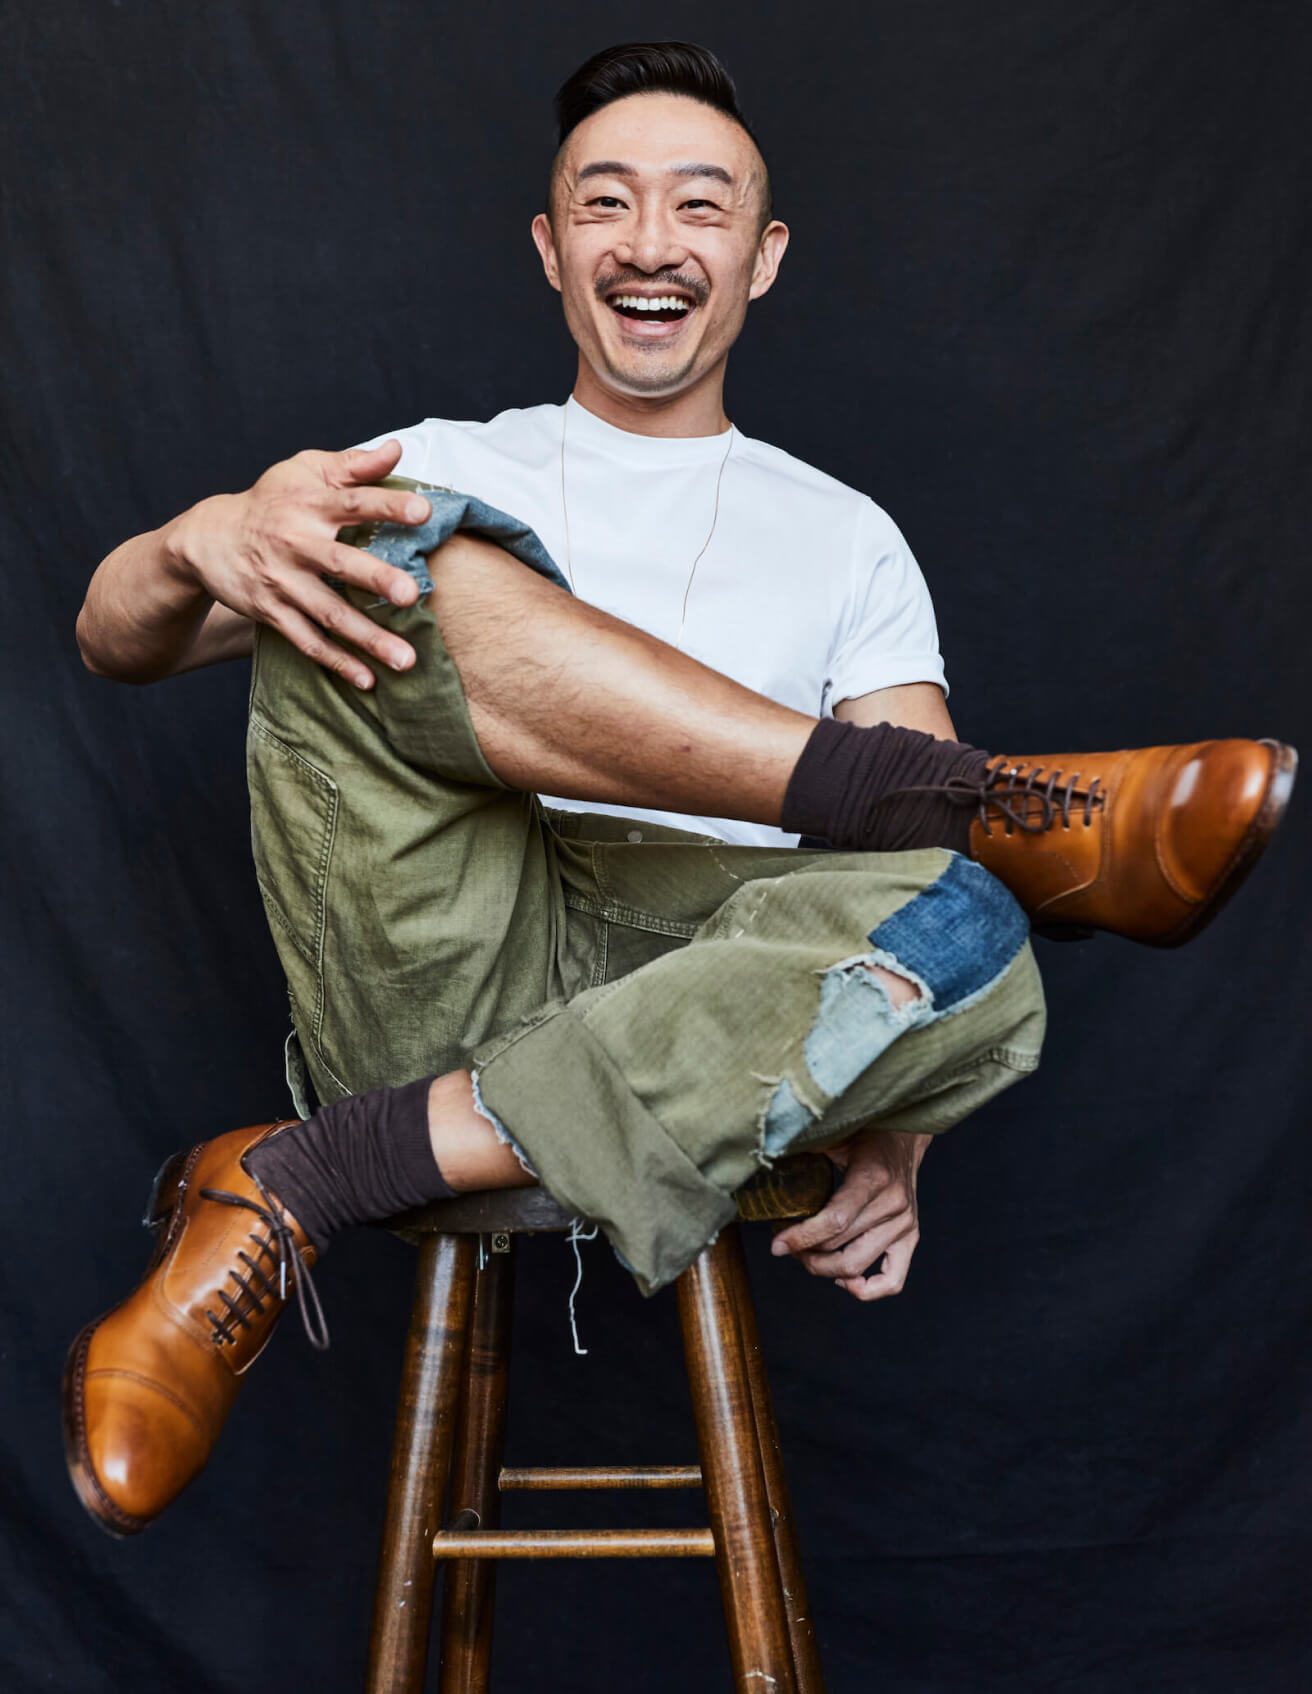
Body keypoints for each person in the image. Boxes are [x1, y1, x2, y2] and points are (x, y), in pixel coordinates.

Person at [64, 42, 1294, 1539]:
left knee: (973, 917)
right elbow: (111, 635)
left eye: (700, 208)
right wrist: (208, 531)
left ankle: (299, 1176)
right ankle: (961, 798)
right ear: (550, 247)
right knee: (397, 543)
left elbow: (895, 939)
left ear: (762, 258)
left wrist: (889, 1118)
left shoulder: (847, 539)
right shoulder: (440, 457)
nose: (652, 244)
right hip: (437, 953)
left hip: (707, 1017)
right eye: (608, 205)